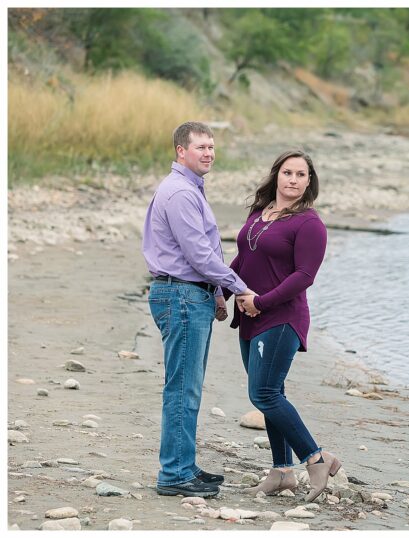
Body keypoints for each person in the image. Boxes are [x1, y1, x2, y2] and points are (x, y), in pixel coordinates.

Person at [142, 121, 255, 497]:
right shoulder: (179, 193)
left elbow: (196, 254)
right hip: (180, 297)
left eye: (211, 147)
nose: (208, 153)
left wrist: (217, 294)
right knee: (182, 389)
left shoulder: (190, 189)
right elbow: (199, 254)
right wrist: (238, 288)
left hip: (190, 295)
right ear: (180, 151)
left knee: (187, 387)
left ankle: (183, 465)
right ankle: (174, 474)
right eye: (200, 147)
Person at [225, 149, 341, 502]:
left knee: (264, 393)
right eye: (287, 173)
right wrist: (223, 288)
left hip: (281, 318)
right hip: (251, 317)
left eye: (300, 175)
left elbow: (304, 276)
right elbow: (243, 258)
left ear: (309, 182)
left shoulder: (309, 224)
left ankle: (317, 458)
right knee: (272, 394)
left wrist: (260, 302)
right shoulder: (259, 214)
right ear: (276, 175)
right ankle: (281, 472)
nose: (292, 180)